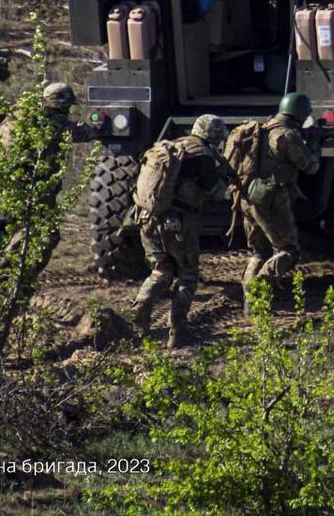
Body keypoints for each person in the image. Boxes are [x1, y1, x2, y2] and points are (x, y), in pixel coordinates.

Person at [130, 114, 230, 348]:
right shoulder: (202, 156)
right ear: (213, 136)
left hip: (147, 217)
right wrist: (224, 180)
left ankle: (139, 316)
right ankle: (177, 331)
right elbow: (217, 193)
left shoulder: (169, 147)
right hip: (178, 223)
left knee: (161, 270)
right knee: (187, 273)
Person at [226, 93, 321, 312]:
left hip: (246, 197)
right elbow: (310, 166)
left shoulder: (260, 130)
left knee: (259, 252)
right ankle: (260, 290)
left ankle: (252, 305)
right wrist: (315, 145)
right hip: (270, 200)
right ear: (299, 116)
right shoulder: (287, 136)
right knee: (288, 251)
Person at [0, 82, 95, 281]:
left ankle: (1, 274)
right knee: (47, 235)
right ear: (61, 104)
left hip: (9, 185)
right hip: (37, 188)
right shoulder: (52, 123)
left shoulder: (16, 117)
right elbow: (85, 133)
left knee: (20, 230)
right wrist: (99, 123)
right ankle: (17, 278)